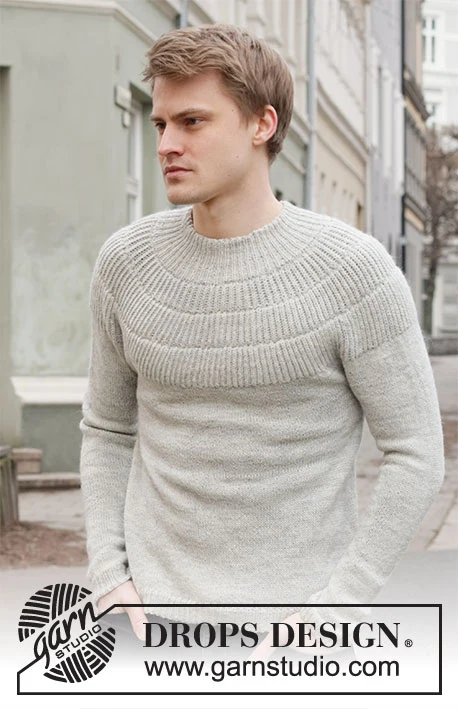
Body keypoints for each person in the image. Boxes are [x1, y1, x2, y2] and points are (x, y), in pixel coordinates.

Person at [79, 24, 444, 655]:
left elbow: (417, 453)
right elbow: (107, 430)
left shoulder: (352, 271)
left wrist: (340, 605)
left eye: (192, 122)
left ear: (262, 124)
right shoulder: (126, 263)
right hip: (146, 625)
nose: (166, 144)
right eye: (161, 123)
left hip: (300, 635)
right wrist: (110, 578)